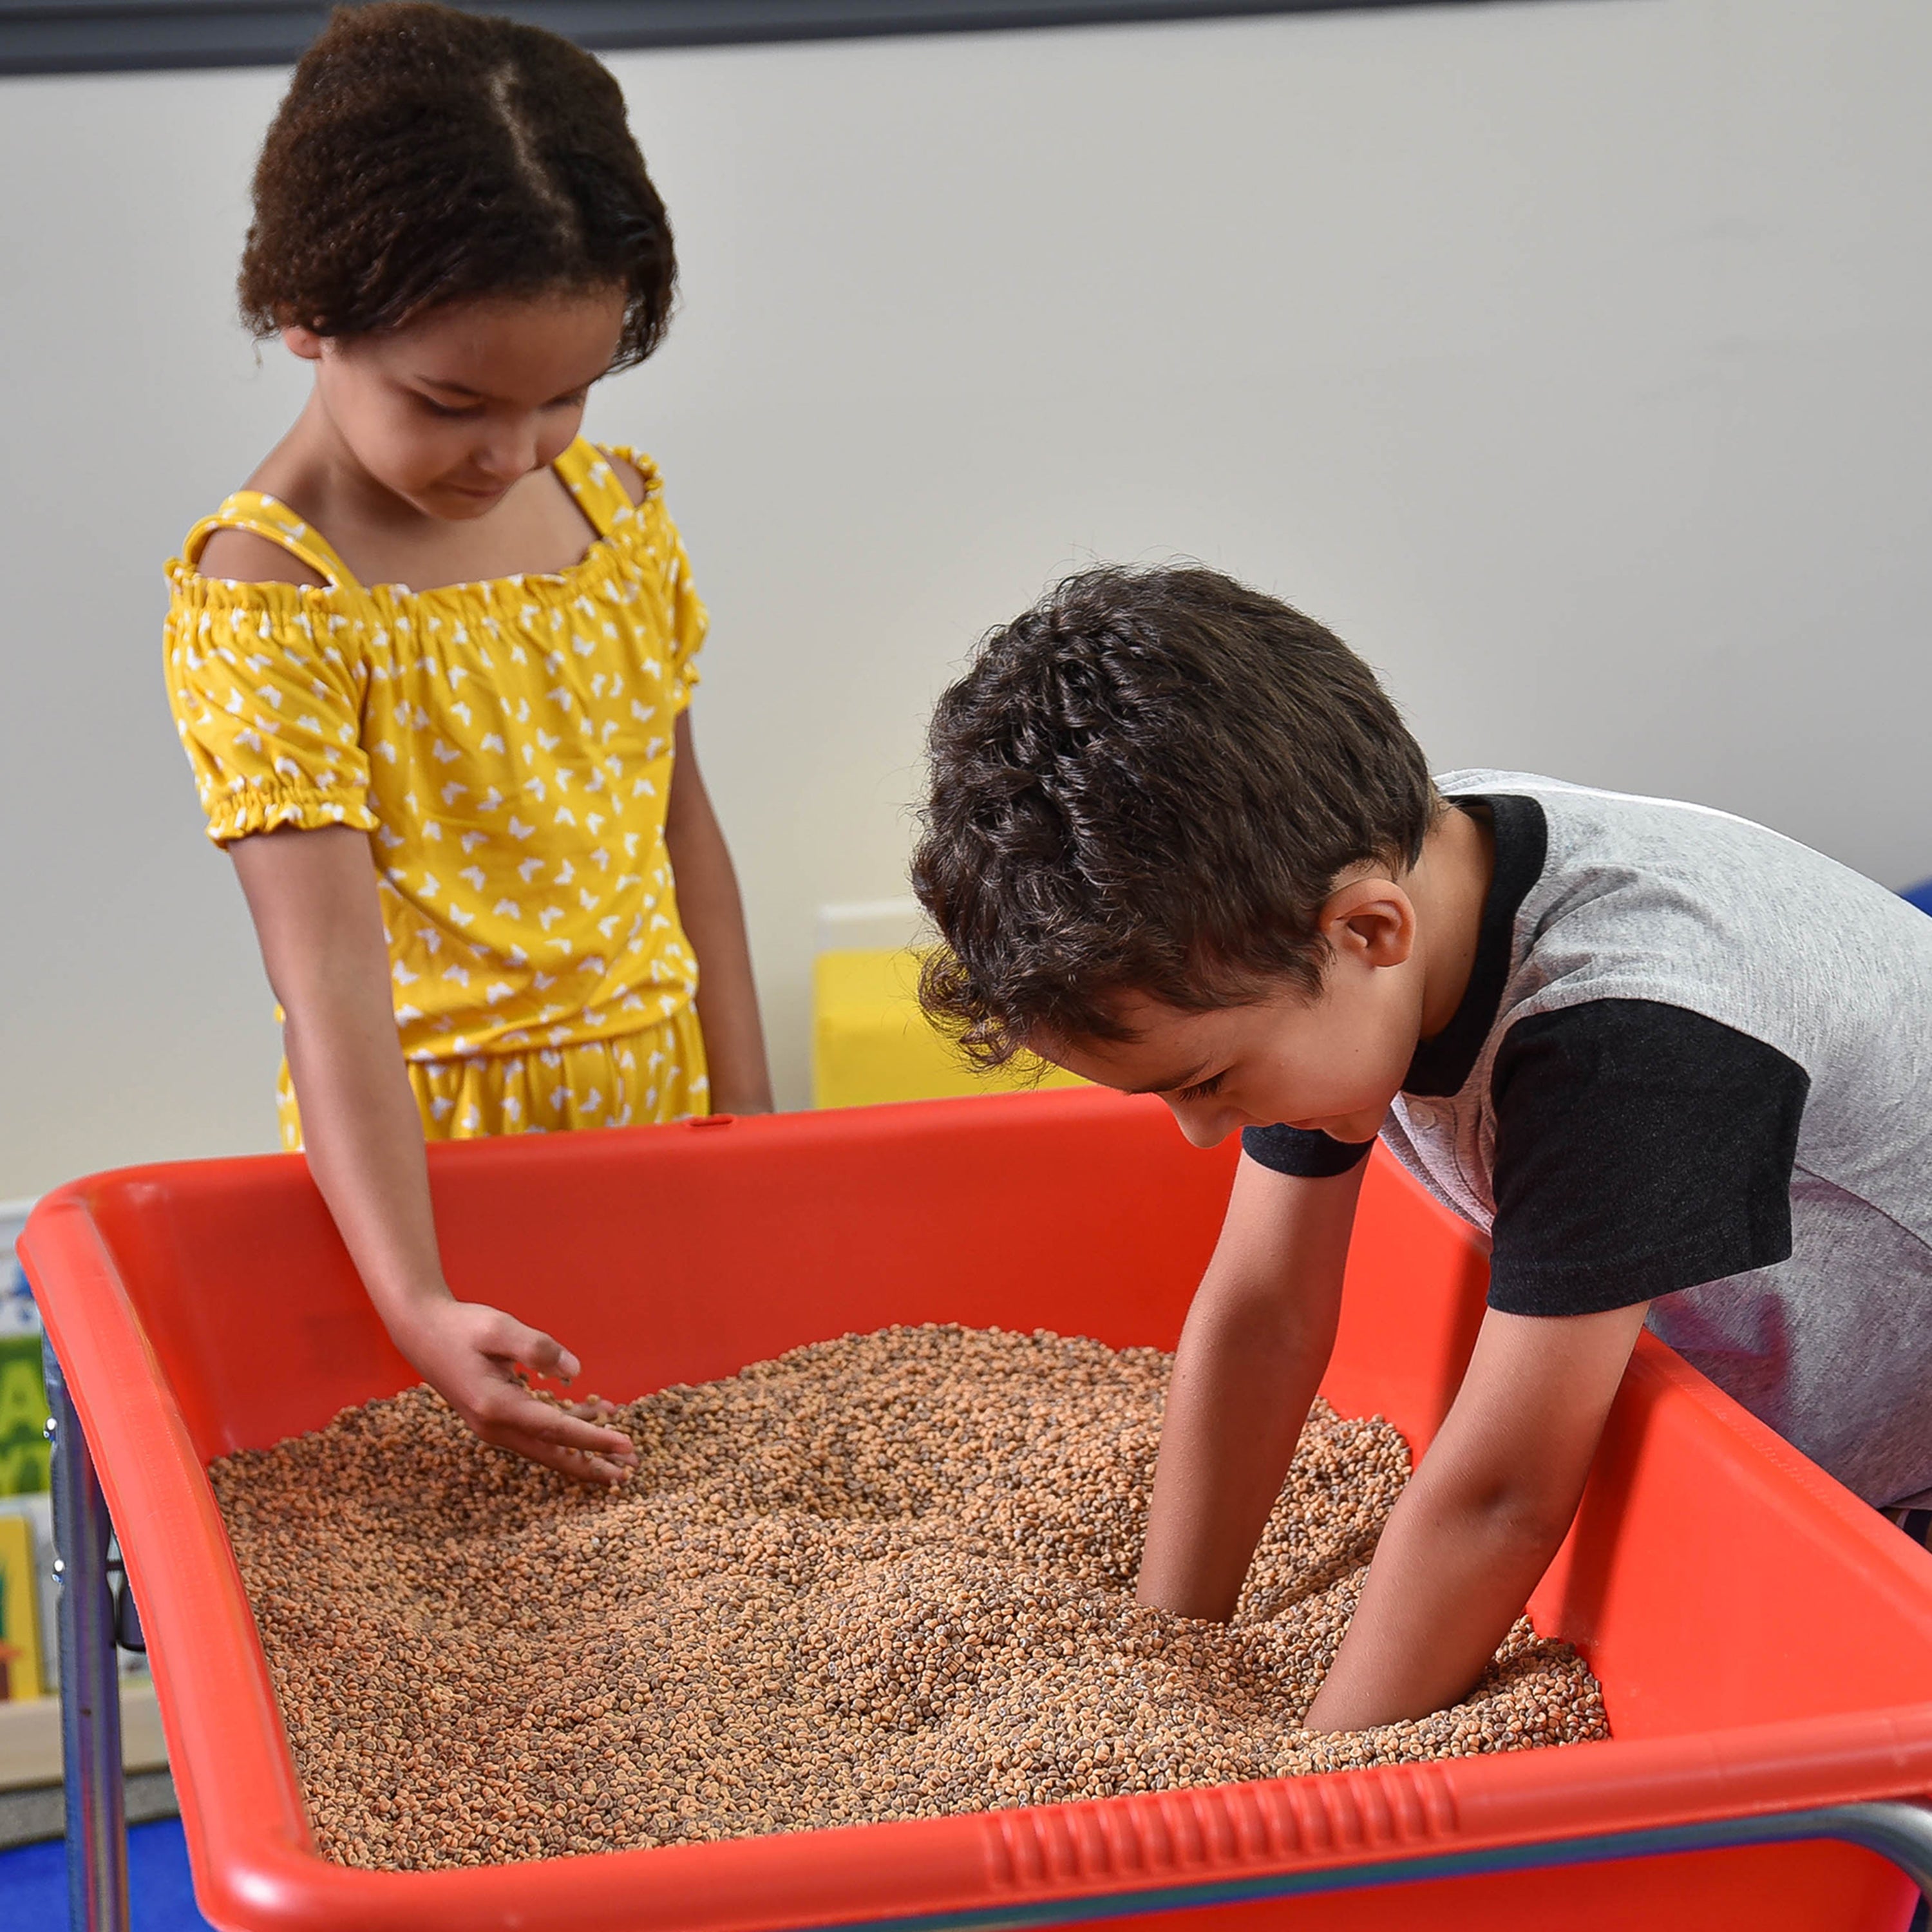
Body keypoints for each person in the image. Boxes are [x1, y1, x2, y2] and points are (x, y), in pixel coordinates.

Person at [911, 563, 1932, 1731]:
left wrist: (1310, 1795)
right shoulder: (1339, 893)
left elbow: (1504, 1497)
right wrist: (1169, 1645)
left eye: (1207, 1083)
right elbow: (1263, 1314)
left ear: (1368, 931)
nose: (1200, 1134)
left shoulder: (1626, 1038)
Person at [164, 3, 772, 1486]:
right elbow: (330, 977)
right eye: (451, 404)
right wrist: (415, 1295)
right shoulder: (276, 594)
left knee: (671, 1494)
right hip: (433, 1154)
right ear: (307, 315)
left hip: (658, 1093)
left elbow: (684, 826)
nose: (511, 453)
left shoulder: (613, 511)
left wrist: (755, 1128)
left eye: (564, 394)